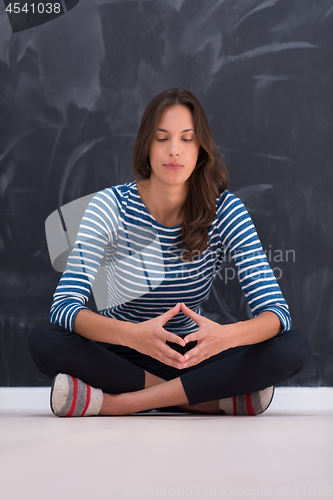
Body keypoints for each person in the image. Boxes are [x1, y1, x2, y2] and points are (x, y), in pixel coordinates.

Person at [26, 88, 312, 417]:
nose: (174, 151)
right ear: (146, 145)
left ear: (201, 148)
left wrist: (224, 337)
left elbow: (277, 314)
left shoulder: (226, 211)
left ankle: (117, 403)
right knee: (44, 339)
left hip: (192, 356)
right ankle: (207, 400)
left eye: (186, 139)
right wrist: (134, 336)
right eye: (162, 138)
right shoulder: (109, 207)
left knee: (293, 347)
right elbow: (64, 307)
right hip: (122, 352)